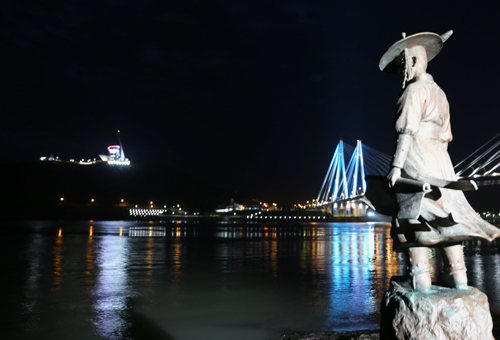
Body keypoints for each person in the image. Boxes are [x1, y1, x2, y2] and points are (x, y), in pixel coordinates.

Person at [379, 31, 500, 292]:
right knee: (445, 214)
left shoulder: (413, 90)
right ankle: (459, 276)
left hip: (415, 156)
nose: (403, 72)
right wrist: (440, 162)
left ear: (411, 62)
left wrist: (397, 167)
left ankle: (419, 278)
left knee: (412, 212)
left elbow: (406, 131)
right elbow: (447, 136)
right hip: (441, 159)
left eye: (403, 66)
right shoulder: (441, 93)